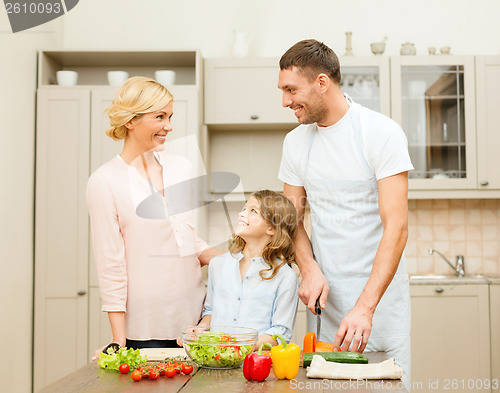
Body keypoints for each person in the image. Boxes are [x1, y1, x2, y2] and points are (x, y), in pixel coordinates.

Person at [277, 39, 414, 387]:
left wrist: (365, 307)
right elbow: (290, 219)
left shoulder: (380, 133)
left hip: (378, 306)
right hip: (325, 304)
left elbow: (396, 227)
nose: (285, 101)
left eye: (292, 89)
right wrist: (308, 269)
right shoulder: (295, 142)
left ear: (322, 83)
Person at [87, 76, 221, 358]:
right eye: (160, 117)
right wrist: (118, 339)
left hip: (196, 323)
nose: (169, 126)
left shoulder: (181, 168)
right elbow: (111, 264)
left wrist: (229, 261)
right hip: (144, 327)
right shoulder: (105, 181)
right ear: (130, 121)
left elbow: (185, 238)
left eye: (170, 116)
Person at [197, 190, 299, 348]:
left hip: (257, 365)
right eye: (244, 209)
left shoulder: (286, 276)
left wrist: (238, 346)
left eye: (253, 211)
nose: (242, 214)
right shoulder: (217, 265)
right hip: (217, 360)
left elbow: (280, 333)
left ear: (271, 228)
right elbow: (210, 312)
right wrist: (199, 330)